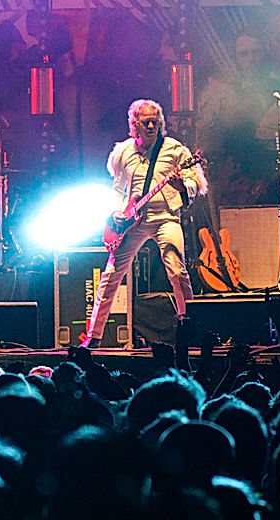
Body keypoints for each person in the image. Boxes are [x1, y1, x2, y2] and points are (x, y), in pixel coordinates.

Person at [82, 99, 207, 347]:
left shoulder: (174, 150)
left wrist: (182, 185)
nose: (151, 126)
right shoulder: (124, 152)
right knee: (111, 275)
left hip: (165, 217)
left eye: (155, 121)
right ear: (135, 124)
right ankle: (94, 337)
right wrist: (115, 212)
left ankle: (190, 327)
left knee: (176, 269)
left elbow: (196, 182)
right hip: (132, 221)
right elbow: (117, 188)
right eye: (145, 121)